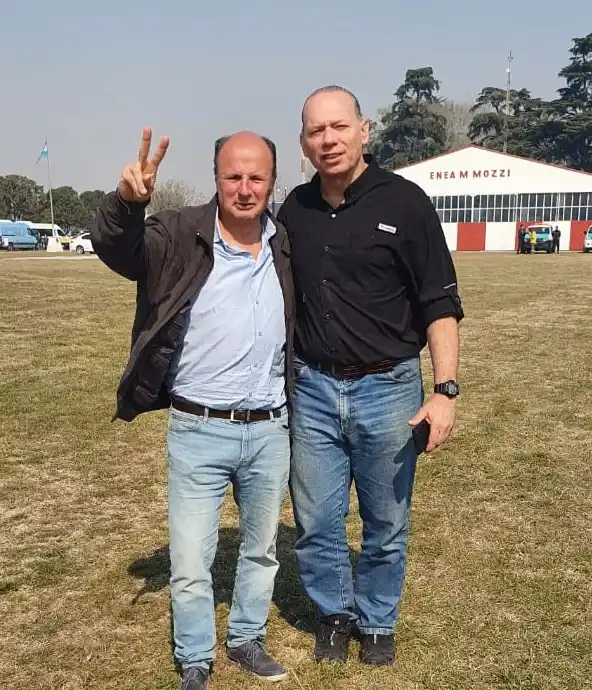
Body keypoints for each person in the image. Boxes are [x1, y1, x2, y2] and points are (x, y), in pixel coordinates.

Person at [90, 128, 295, 690]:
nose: (245, 188)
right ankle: (196, 658)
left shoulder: (286, 242)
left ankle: (247, 639)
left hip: (269, 429)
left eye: (256, 177)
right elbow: (119, 249)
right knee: (190, 560)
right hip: (198, 428)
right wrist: (127, 203)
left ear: (273, 182)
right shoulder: (180, 233)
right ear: (216, 179)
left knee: (261, 550)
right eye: (234, 176)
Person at [277, 86, 464, 667]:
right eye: (316, 131)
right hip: (312, 387)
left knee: (386, 519)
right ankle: (334, 614)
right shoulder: (294, 211)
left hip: (389, 389)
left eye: (339, 127)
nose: (328, 140)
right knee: (316, 519)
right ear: (303, 142)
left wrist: (445, 390)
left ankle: (378, 619)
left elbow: (439, 302)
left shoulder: (406, 203)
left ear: (364, 130)